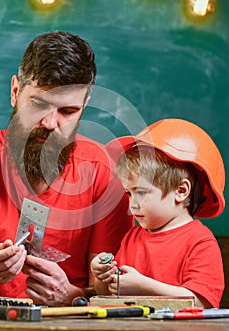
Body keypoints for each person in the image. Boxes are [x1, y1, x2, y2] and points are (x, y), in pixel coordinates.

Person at [0, 31, 134, 306]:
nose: (50, 123)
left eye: (68, 111)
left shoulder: (105, 174)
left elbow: (114, 291)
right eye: (39, 104)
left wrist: (72, 296)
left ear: (84, 106)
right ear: (15, 92)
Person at [91, 118, 225, 308]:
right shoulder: (132, 238)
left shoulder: (200, 242)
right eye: (129, 193)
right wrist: (103, 277)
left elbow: (201, 301)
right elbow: (110, 294)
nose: (132, 205)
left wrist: (143, 286)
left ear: (181, 191)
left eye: (142, 192)